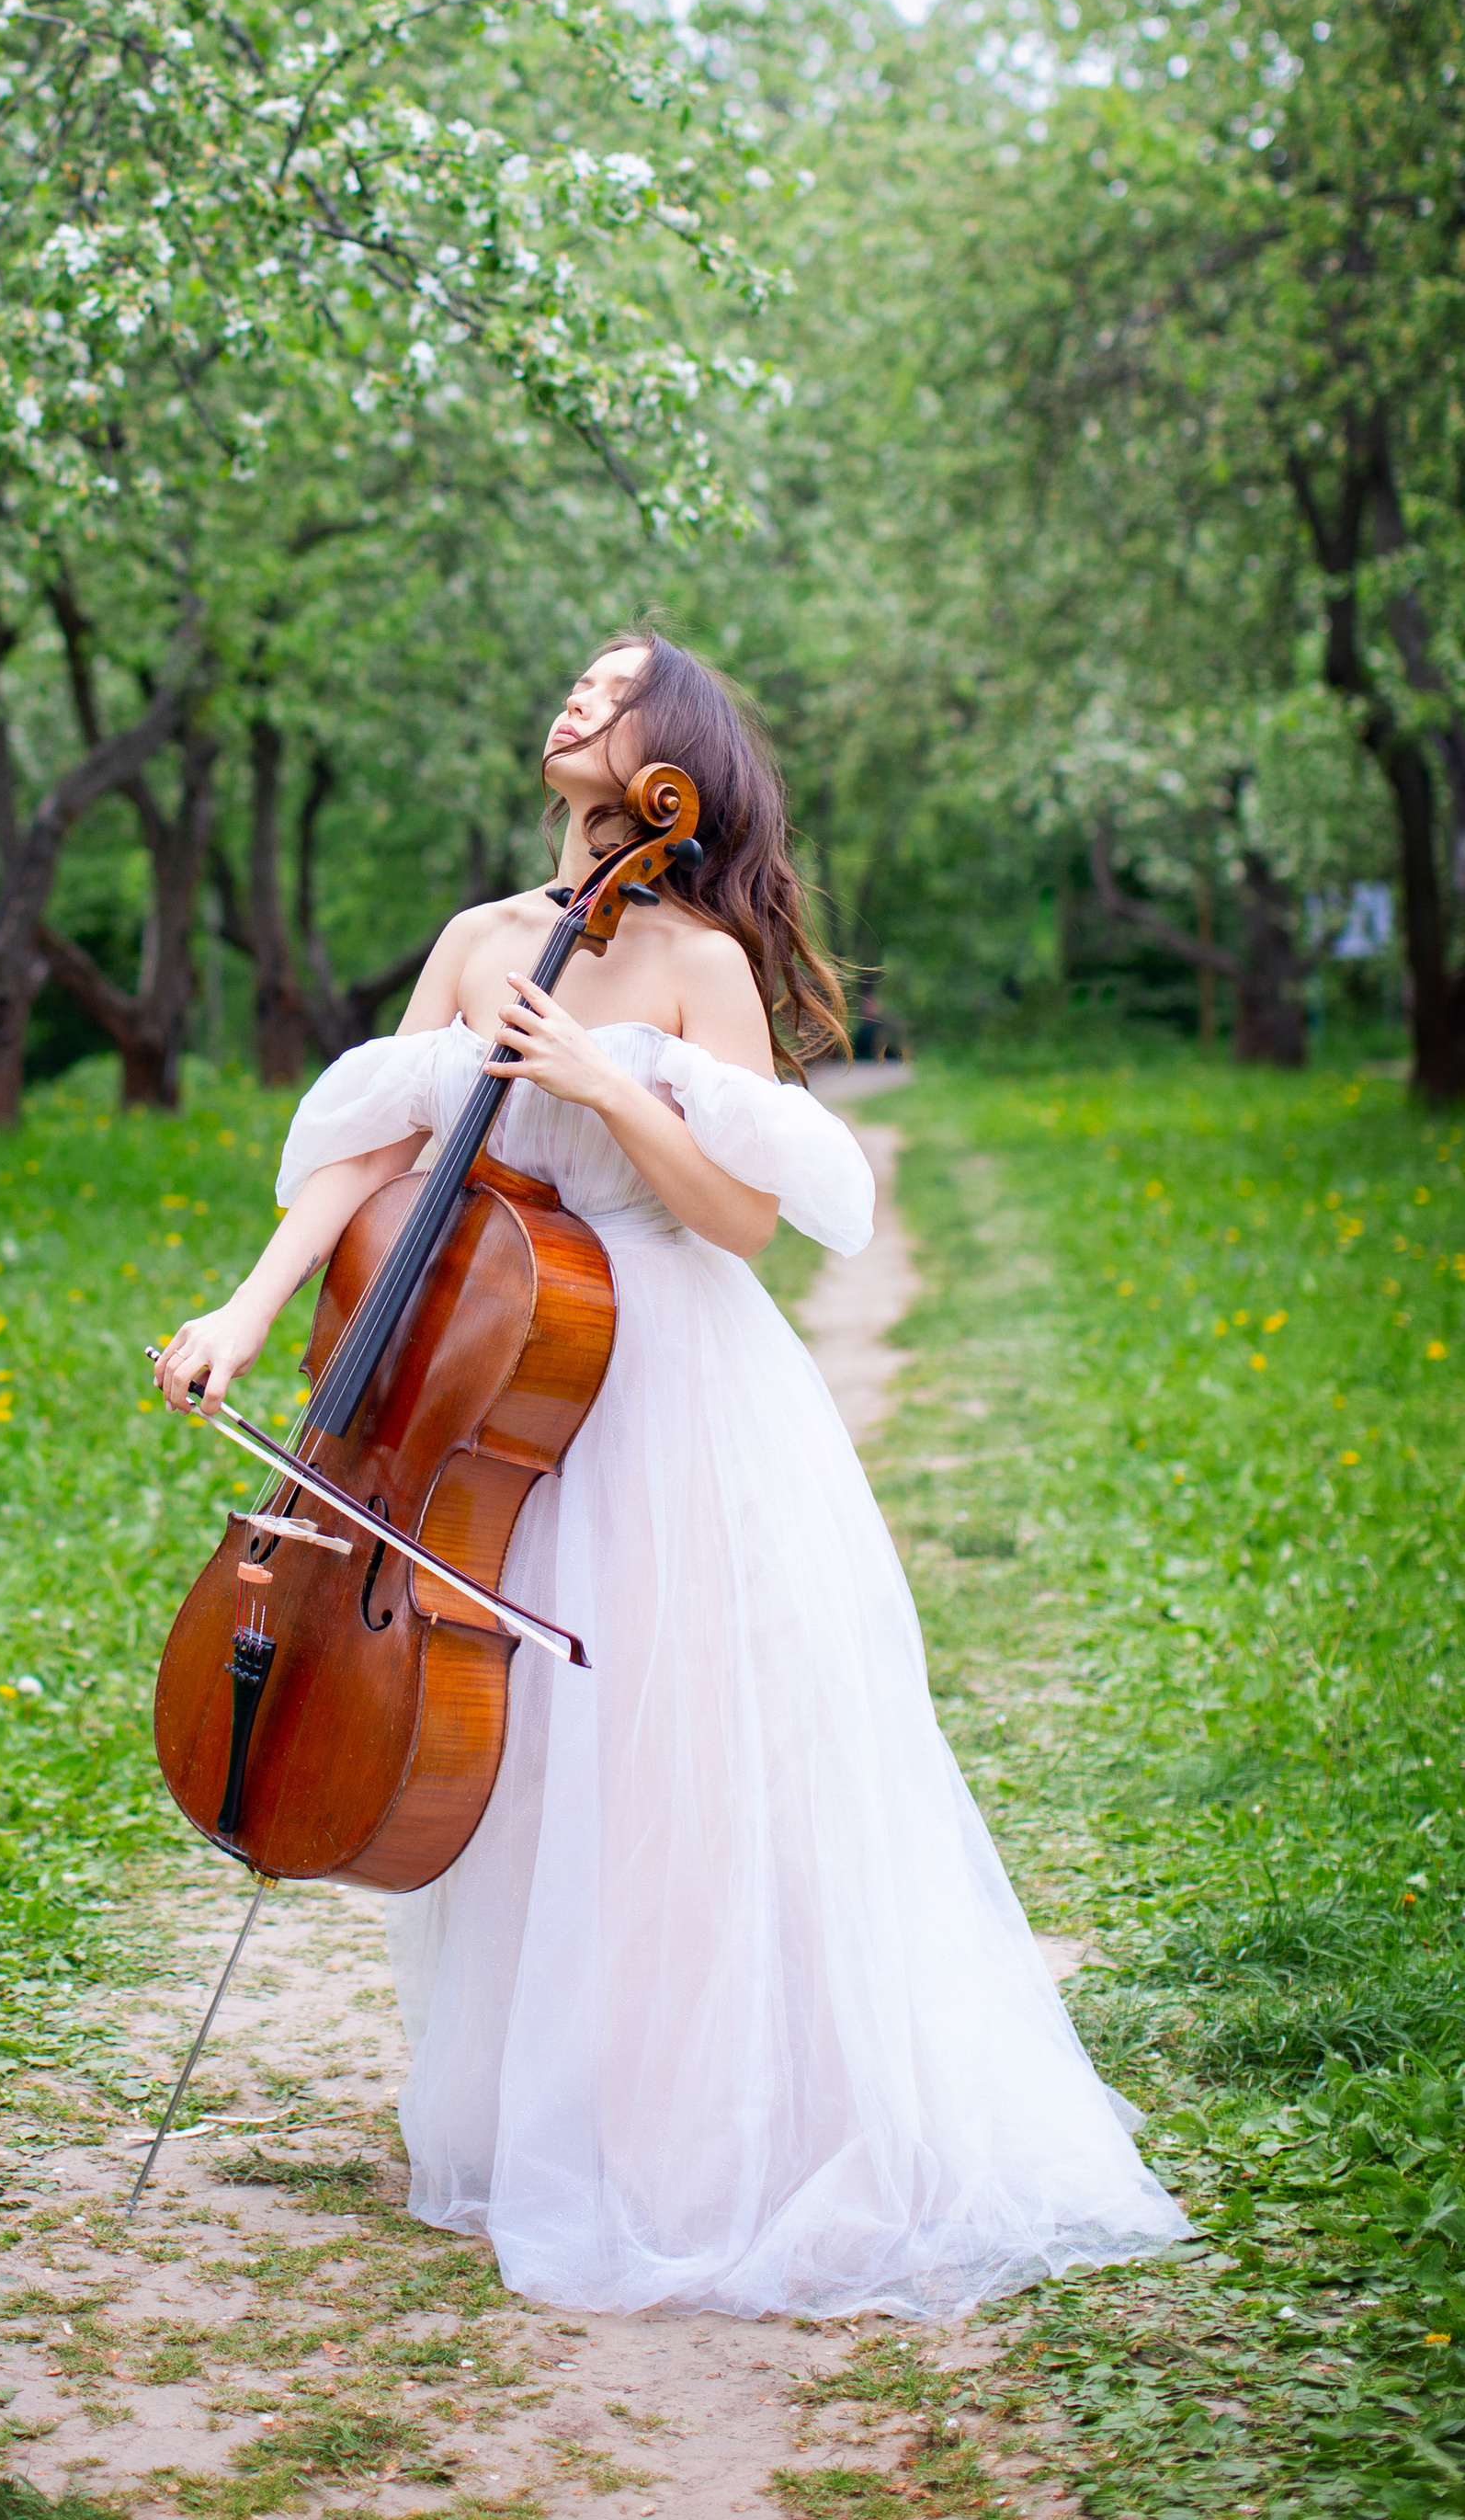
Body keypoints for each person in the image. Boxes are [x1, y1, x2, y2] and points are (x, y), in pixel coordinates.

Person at [156, 633, 1187, 2320]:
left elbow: (742, 1219)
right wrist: (246, 1314)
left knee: (682, 1762)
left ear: (673, 758)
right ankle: (547, 2115)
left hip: (667, 1387)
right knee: (527, 1767)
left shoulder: (702, 962)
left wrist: (593, 1086)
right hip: (480, 1401)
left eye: (614, 690)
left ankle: (702, 2135)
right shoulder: (481, 940)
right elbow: (377, 1155)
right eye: (569, 679)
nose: (574, 699)